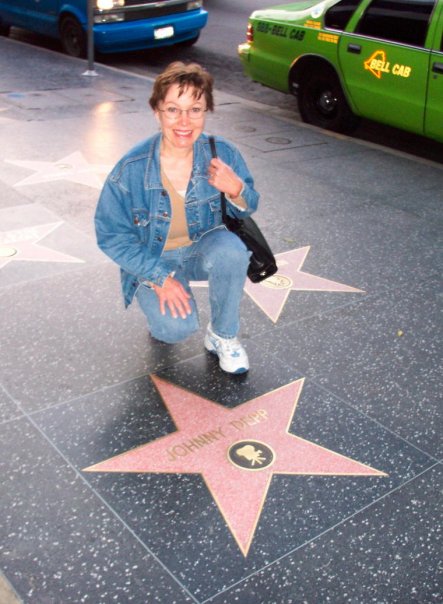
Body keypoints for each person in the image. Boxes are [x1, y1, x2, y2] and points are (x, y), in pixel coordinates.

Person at [95, 62, 259, 374]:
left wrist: (236, 189)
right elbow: (111, 236)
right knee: (173, 331)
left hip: (202, 247)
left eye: (195, 109)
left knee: (231, 251)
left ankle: (223, 335)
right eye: (173, 109)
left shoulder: (222, 152)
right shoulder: (131, 168)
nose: (184, 121)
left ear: (206, 111)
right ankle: (156, 300)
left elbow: (249, 205)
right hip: (154, 256)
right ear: (157, 111)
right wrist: (158, 277)